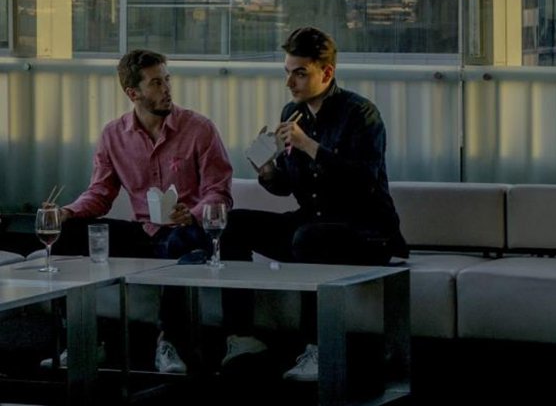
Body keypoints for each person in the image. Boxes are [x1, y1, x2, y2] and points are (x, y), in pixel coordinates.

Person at [220, 26, 408, 381]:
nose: (290, 83)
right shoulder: (293, 112)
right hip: (310, 224)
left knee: (309, 237)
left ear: (327, 72)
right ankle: (242, 336)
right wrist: (267, 170)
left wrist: (310, 146)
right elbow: (290, 186)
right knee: (235, 223)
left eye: (300, 73)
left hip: (367, 232)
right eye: (288, 73)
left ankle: (317, 350)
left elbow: (364, 183)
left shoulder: (362, 114)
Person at [51, 49, 233, 374]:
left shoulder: (199, 129)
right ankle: (83, 340)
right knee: (66, 234)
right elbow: (100, 193)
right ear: (132, 93)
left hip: (186, 230)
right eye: (155, 83)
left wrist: (191, 213)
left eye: (167, 80)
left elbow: (218, 192)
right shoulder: (112, 135)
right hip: (144, 234)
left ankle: (170, 343)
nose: (166, 89)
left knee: (181, 243)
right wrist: (67, 212)